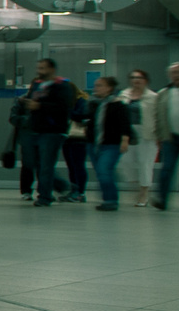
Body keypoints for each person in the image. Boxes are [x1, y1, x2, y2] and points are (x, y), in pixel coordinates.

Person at [20, 58, 74, 207]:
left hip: (52, 131)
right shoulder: (36, 85)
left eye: (43, 68)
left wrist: (40, 106)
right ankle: (62, 186)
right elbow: (31, 102)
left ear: (52, 69)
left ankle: (44, 196)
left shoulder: (62, 86)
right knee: (33, 162)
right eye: (39, 68)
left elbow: (64, 107)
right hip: (35, 129)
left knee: (46, 165)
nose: (39, 71)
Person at [91, 77, 132, 212]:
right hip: (96, 143)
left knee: (104, 170)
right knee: (103, 172)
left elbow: (125, 124)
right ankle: (107, 198)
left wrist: (124, 140)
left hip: (111, 144)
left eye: (99, 86)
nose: (96, 88)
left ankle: (111, 200)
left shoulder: (118, 104)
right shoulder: (95, 103)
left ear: (109, 88)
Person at [124, 69, 161, 207]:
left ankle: (144, 194)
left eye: (139, 78)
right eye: (133, 77)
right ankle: (136, 185)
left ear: (145, 80)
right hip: (128, 133)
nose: (136, 80)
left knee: (145, 164)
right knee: (125, 161)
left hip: (147, 133)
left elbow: (158, 116)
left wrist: (159, 135)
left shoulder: (153, 97)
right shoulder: (124, 95)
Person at [156, 62, 179, 210]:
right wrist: (159, 137)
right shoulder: (163, 93)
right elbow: (158, 117)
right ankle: (162, 200)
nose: (177, 75)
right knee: (166, 169)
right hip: (170, 138)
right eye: (174, 73)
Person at [62, 83, 92, 203]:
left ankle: (80, 192)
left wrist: (67, 111)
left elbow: (82, 116)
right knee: (71, 166)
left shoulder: (81, 101)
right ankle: (74, 190)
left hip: (78, 137)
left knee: (78, 165)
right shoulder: (65, 102)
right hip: (67, 137)